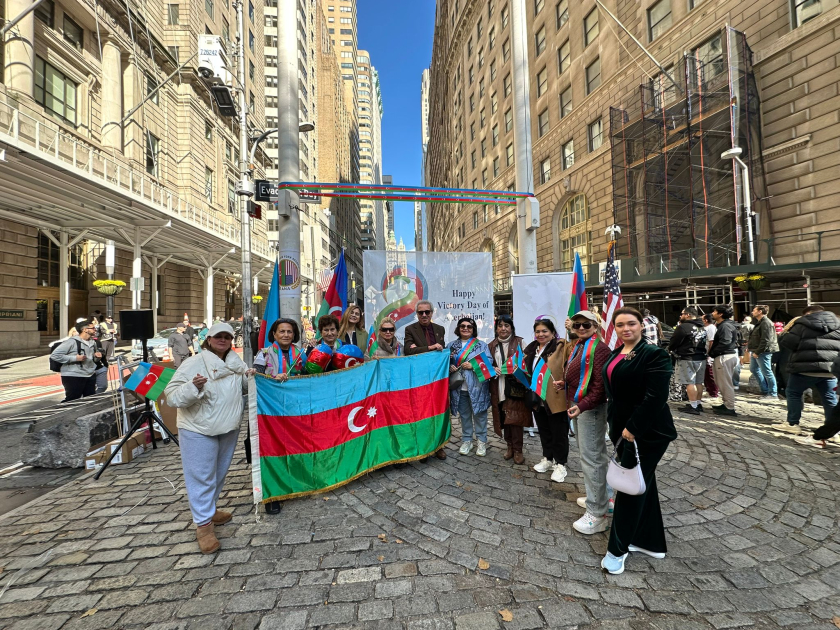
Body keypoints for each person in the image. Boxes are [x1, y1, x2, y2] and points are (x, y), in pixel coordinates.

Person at [164, 322, 255, 554]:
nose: (222, 340)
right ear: (209, 339)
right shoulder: (192, 362)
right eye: (218, 336)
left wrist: (251, 378)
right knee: (201, 476)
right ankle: (203, 526)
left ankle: (210, 509)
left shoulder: (236, 363)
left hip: (228, 427)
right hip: (198, 428)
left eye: (227, 336)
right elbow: (171, 396)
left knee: (219, 472)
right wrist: (192, 388)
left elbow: (243, 387)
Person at [600, 307, 677, 575]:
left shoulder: (654, 354)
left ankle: (617, 550)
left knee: (629, 490)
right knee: (643, 483)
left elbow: (656, 398)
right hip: (622, 430)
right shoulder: (615, 353)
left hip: (647, 433)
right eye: (620, 325)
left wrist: (632, 429)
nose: (625, 328)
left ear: (641, 325)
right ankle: (649, 541)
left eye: (631, 323)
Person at [565, 311, 612, 535]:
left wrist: (582, 406)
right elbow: (580, 376)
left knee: (591, 458)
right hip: (581, 404)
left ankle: (597, 512)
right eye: (577, 324)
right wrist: (563, 383)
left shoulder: (599, 348)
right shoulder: (581, 344)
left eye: (586, 324)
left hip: (590, 408)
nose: (581, 327)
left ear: (596, 325)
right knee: (597, 455)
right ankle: (604, 498)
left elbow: (599, 388)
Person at [523, 318, 573, 483]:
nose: (541, 334)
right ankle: (548, 458)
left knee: (559, 432)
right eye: (538, 331)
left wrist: (571, 330)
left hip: (555, 396)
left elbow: (574, 351)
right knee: (544, 430)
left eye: (545, 331)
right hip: (538, 397)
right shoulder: (531, 349)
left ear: (552, 333)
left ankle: (560, 464)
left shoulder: (561, 345)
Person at [778, 305, 840, 435]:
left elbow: (789, 343)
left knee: (793, 393)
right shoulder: (837, 324)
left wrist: (785, 333)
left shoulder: (802, 324)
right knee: (829, 398)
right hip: (829, 368)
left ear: (808, 314)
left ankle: (792, 423)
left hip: (804, 367)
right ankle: (833, 431)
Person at [403, 301, 447, 461]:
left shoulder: (440, 329)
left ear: (431, 313)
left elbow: (442, 352)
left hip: (437, 379)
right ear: (417, 314)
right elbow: (408, 351)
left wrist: (421, 348)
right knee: (422, 412)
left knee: (438, 411)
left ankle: (439, 446)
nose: (424, 315)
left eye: (427, 312)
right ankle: (424, 447)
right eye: (421, 312)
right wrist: (430, 348)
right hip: (419, 379)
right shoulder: (410, 329)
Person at [447, 318, 492, 457]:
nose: (465, 328)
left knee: (480, 415)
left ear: (473, 329)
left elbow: (489, 362)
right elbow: (443, 363)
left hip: (477, 387)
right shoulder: (451, 345)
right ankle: (467, 440)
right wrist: (449, 367)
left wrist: (474, 366)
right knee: (465, 416)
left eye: (469, 326)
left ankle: (481, 441)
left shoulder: (482, 345)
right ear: (458, 328)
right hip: (459, 388)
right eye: (462, 326)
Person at [488, 315, 529, 465]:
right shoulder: (491, 345)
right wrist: (493, 368)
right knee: (504, 418)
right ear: (496, 328)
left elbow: (527, 362)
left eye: (506, 325)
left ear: (511, 327)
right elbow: (487, 365)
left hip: (515, 387)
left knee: (515, 418)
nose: (503, 328)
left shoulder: (519, 342)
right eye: (500, 325)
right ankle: (509, 446)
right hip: (498, 386)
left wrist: (519, 366)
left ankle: (518, 450)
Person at [50, 319, 102, 402]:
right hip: (73, 375)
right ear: (84, 330)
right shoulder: (71, 342)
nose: (95, 329)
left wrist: (97, 357)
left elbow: (92, 359)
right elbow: (55, 355)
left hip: (89, 374)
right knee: (72, 400)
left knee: (90, 399)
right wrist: (75, 358)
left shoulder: (93, 342)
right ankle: (62, 414)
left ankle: (86, 415)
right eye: (93, 328)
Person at [668, 307, 707, 415]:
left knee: (689, 382)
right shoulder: (702, 327)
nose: (680, 316)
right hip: (701, 357)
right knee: (699, 382)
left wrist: (671, 349)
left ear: (688, 315)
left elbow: (674, 341)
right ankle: (698, 403)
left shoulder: (684, 327)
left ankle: (693, 405)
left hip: (687, 357)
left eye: (682, 314)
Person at [709, 304, 740, 417]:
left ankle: (729, 407)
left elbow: (725, 342)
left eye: (715, 311)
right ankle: (726, 403)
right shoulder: (725, 325)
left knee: (725, 383)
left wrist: (713, 352)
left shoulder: (725, 326)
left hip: (724, 356)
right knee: (722, 382)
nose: (712, 313)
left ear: (720, 314)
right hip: (724, 356)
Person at [748, 304, 780, 400]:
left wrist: (757, 352)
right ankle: (765, 390)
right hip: (757, 350)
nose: (752, 312)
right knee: (754, 369)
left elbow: (766, 340)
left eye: (754, 310)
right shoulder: (760, 322)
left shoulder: (766, 323)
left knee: (767, 372)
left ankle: (773, 393)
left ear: (760, 311)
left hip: (763, 351)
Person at [702, 314, 719, 398]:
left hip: (709, 355)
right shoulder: (706, 328)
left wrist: (709, 353)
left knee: (710, 374)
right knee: (706, 374)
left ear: (705, 320)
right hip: (704, 353)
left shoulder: (711, 328)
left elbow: (711, 341)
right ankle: (709, 390)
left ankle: (713, 392)